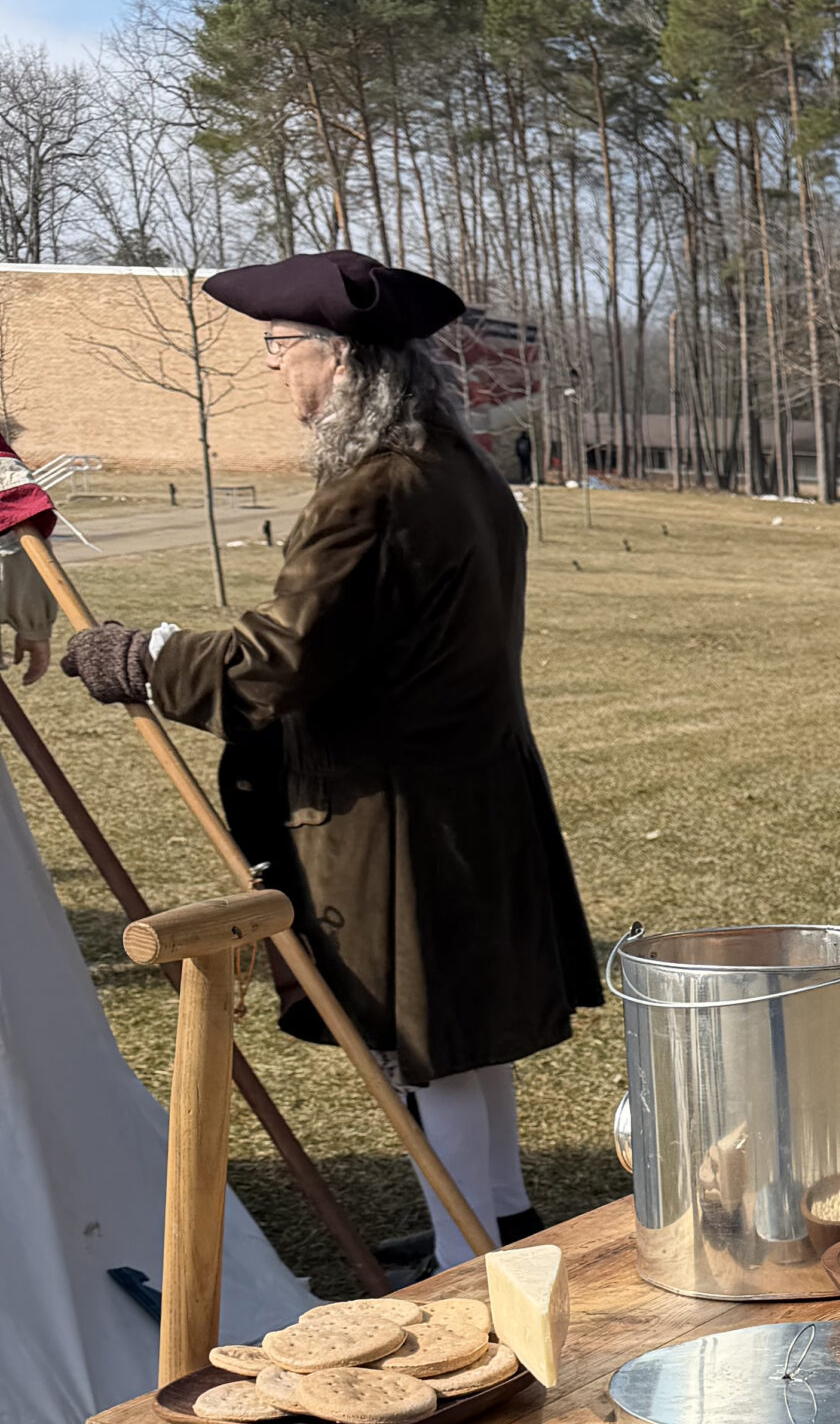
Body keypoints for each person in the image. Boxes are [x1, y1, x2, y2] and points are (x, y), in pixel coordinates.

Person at [61, 249, 600, 1280]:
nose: (269, 369)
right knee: (459, 1032)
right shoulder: (458, 469)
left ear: (342, 361)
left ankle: (469, 1258)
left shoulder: (378, 492)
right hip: (463, 792)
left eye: (279, 347)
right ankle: (495, 1215)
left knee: (429, 1026)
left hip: (395, 809)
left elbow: (279, 663)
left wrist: (146, 656)